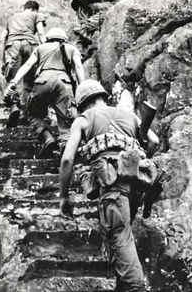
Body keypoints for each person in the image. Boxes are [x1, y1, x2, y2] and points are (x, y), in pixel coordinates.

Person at [59, 79, 160, 292]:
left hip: (113, 186)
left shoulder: (84, 118)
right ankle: (122, 284)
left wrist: (63, 197)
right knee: (120, 232)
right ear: (103, 97)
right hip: (136, 185)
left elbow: (67, 159)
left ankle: (135, 287)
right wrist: (138, 161)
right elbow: (154, 142)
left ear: (83, 103)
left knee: (119, 234)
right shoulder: (130, 115)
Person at [4, 28, 85, 158]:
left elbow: (27, 65)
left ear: (48, 38)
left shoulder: (41, 48)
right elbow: (79, 67)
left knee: (33, 114)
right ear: (64, 38)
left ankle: (46, 136)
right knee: (67, 121)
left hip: (43, 82)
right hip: (64, 84)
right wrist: (83, 88)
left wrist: (14, 82)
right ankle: (65, 152)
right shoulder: (71, 48)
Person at [0, 0, 46, 127]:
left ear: (25, 8)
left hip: (12, 45)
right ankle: (26, 112)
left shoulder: (11, 18)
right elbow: (41, 33)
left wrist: (3, 60)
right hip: (30, 44)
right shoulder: (37, 15)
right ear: (35, 9)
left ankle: (14, 105)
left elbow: (3, 38)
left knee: (12, 77)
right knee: (29, 80)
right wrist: (47, 49)